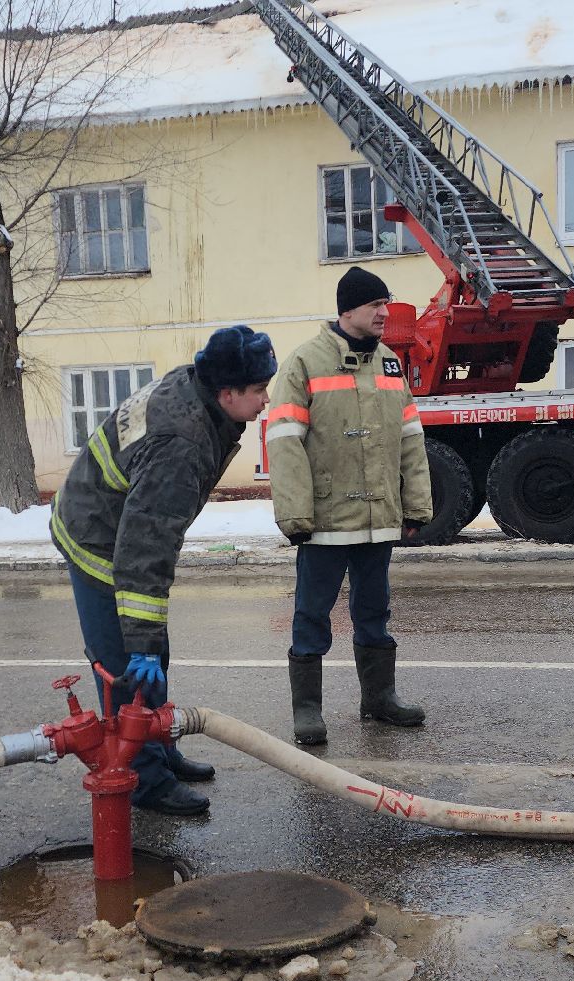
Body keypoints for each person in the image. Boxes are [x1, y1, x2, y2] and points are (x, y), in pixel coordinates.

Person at [51, 325, 276, 816]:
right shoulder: (182, 442)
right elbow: (143, 546)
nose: (265, 400)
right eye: (259, 390)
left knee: (151, 656)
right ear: (227, 392)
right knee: (124, 668)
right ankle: (143, 781)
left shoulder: (196, 388)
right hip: (98, 540)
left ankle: (158, 745)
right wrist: (142, 642)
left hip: (114, 522)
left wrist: (150, 643)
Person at [266, 266, 432, 747]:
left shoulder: (389, 364)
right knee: (312, 613)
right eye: (376, 304)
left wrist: (416, 505)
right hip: (323, 522)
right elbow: (283, 442)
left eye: (386, 303)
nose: (386, 312)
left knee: (375, 610)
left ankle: (379, 699)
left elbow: (410, 441)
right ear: (349, 309)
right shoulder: (304, 362)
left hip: (378, 521)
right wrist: (295, 516)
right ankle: (307, 710)